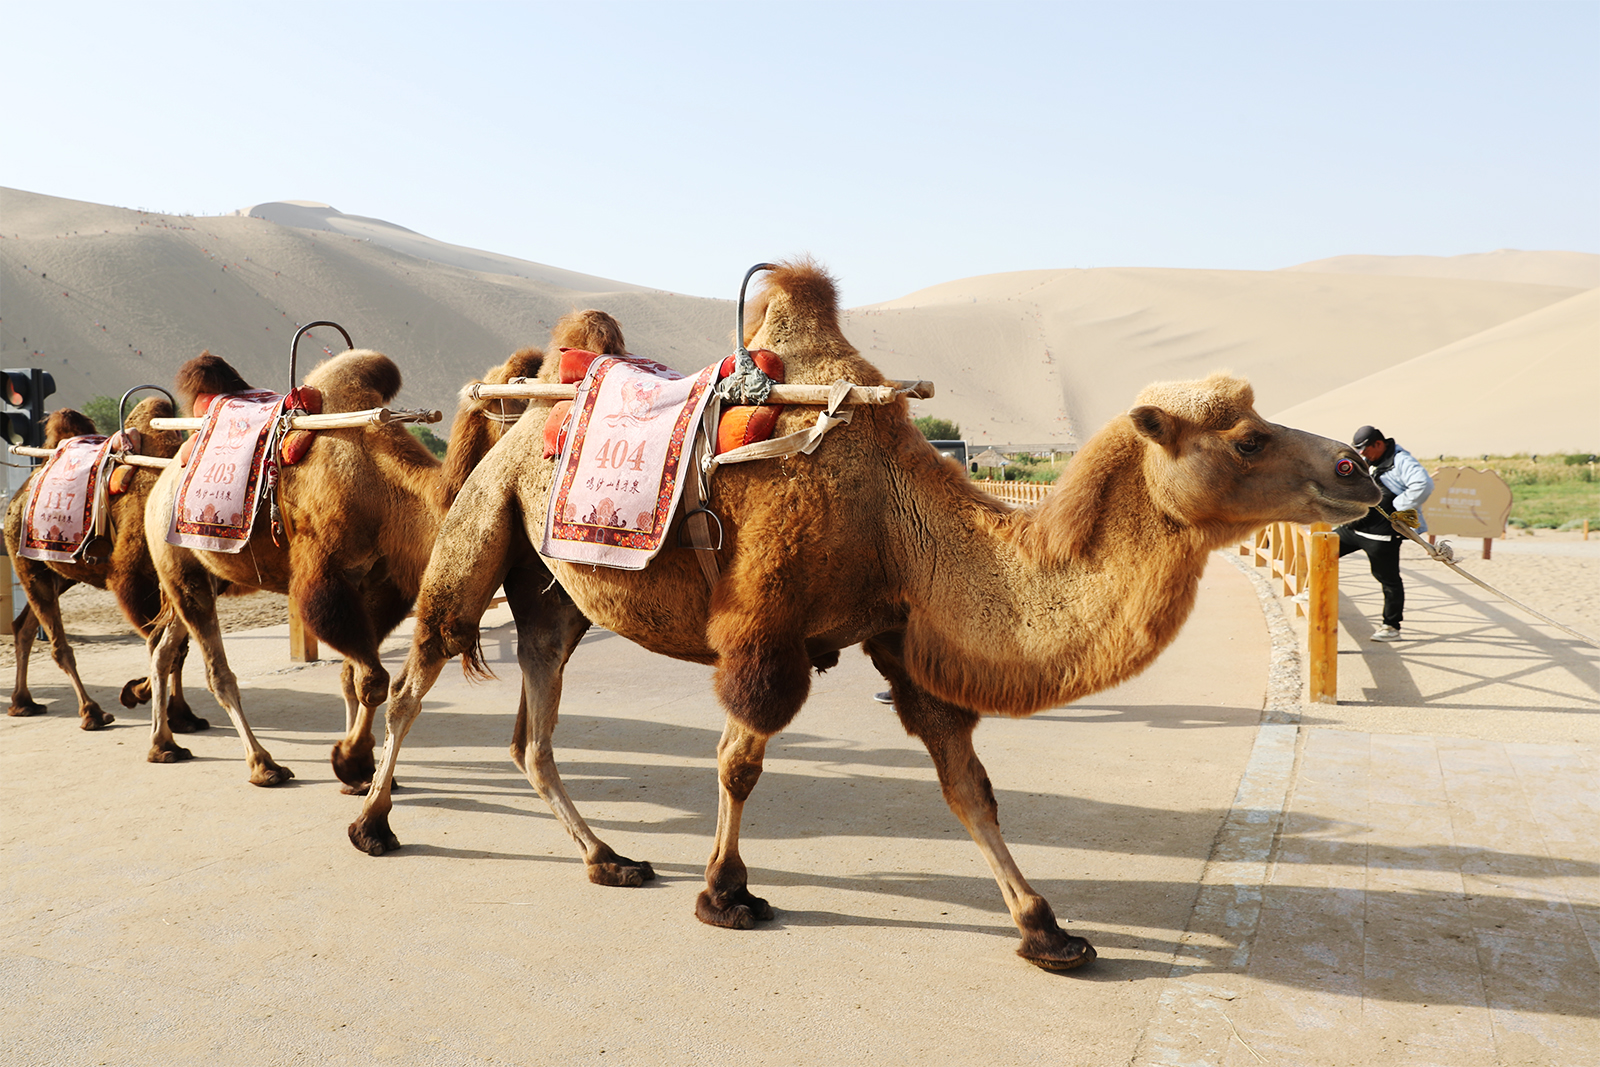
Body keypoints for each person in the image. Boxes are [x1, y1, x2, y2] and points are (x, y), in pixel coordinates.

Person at [1335, 425, 1433, 642]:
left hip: (1382, 535)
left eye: (1364, 450)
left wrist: (1399, 505)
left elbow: (1423, 484)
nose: (1363, 455)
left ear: (1378, 444)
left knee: (1388, 580)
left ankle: (1391, 626)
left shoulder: (1402, 461)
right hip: (1354, 528)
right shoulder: (1370, 460)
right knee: (1322, 549)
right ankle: (1311, 591)